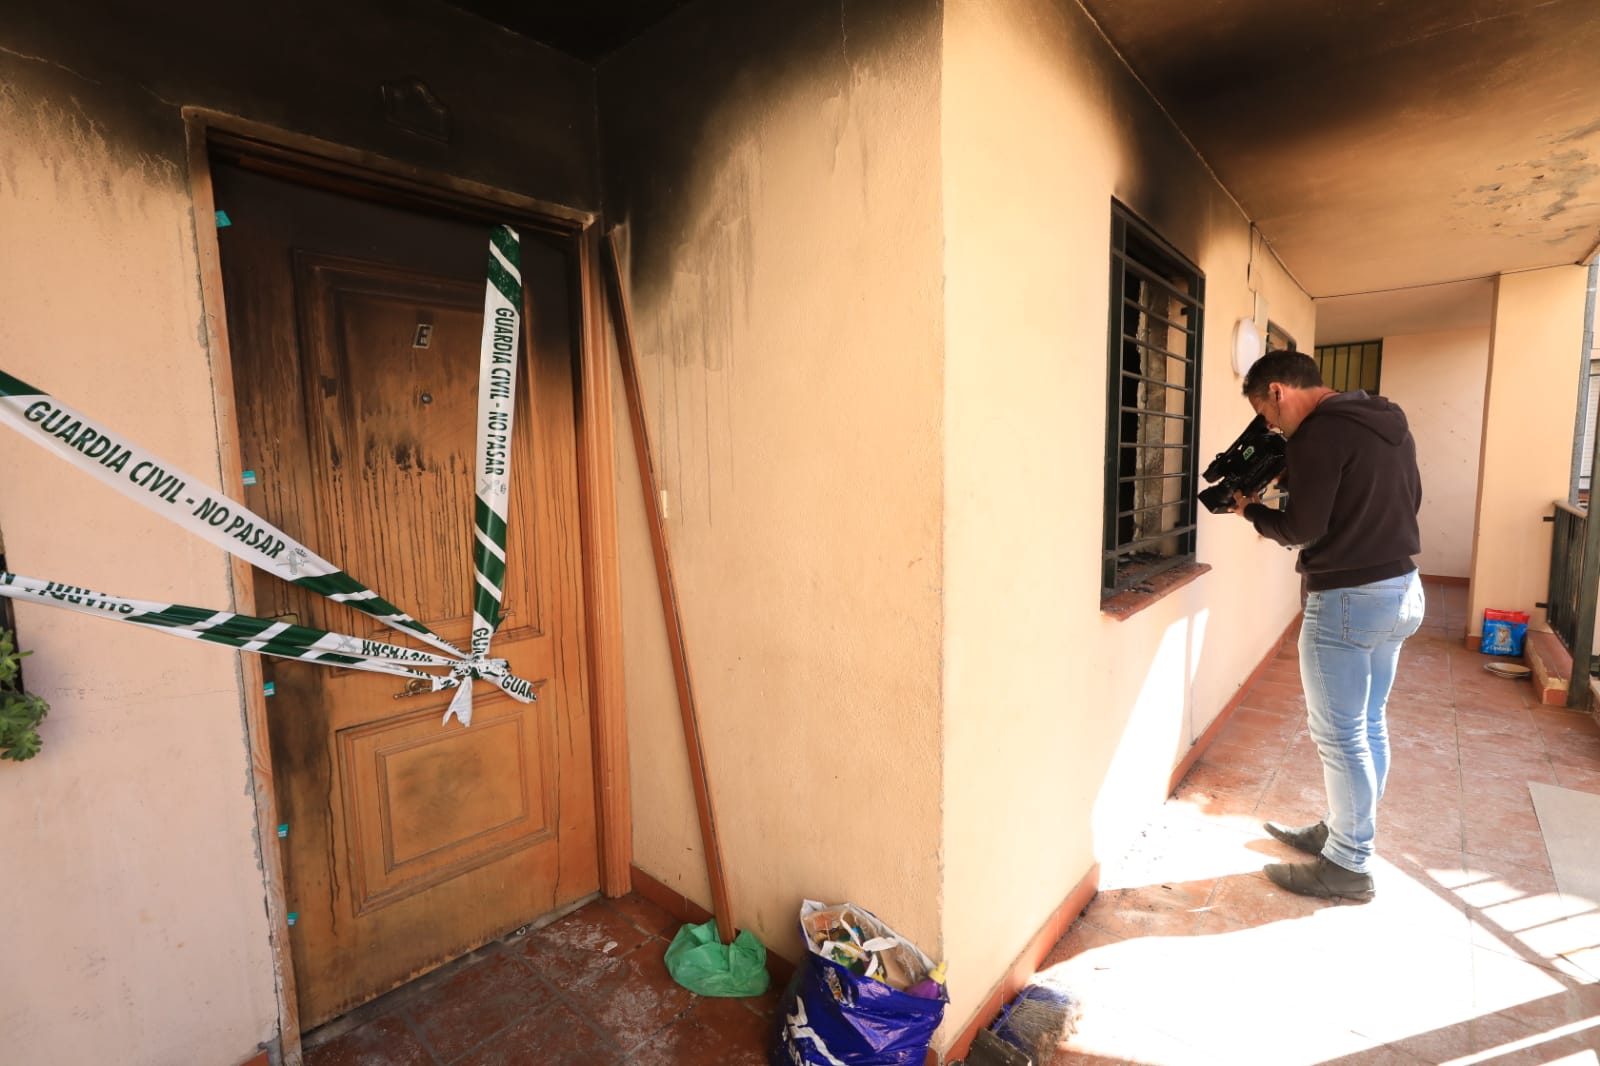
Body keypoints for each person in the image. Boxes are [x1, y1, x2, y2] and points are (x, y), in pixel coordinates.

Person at [1230, 350, 1425, 902]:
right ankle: (1344, 832)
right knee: (1368, 722)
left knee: (1340, 738)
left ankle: (1347, 863)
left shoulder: (1317, 435)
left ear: (1278, 392)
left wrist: (1250, 511)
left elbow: (1301, 527)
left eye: (1267, 415)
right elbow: (1407, 498)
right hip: (1403, 589)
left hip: (1347, 599)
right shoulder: (1386, 418)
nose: (1272, 428)